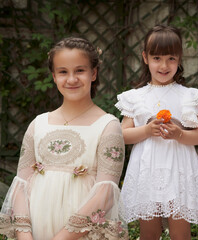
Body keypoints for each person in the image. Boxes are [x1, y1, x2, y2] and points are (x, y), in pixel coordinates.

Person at [0, 37, 128, 240]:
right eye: (63, 72)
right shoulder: (38, 124)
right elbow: (21, 185)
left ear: (93, 73)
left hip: (79, 235)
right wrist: (25, 236)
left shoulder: (108, 126)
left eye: (80, 70)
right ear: (53, 76)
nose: (71, 79)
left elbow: (105, 193)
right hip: (36, 232)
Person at [115, 24, 198, 240]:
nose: (164, 65)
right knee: (149, 233)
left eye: (171, 58)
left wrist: (180, 134)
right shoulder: (136, 97)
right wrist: (147, 130)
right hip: (147, 171)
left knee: (180, 232)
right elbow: (122, 135)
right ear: (145, 58)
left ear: (179, 59)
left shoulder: (189, 96)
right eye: (157, 58)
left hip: (179, 171)